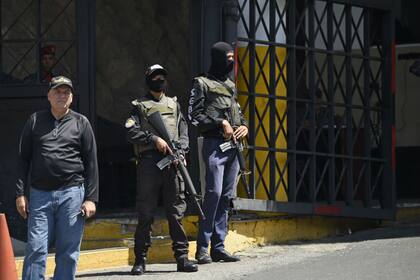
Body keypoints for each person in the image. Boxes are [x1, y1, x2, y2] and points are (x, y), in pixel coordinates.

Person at [15, 75, 99, 280]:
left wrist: (91, 198)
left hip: (72, 195)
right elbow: (22, 159)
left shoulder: (82, 123)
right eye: (57, 92)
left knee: (68, 252)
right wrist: (20, 194)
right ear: (49, 96)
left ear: (71, 97)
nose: (62, 95)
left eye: (66, 92)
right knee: (36, 248)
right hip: (39, 195)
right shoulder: (35, 120)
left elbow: (91, 163)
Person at [125, 64, 198, 275]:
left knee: (176, 212)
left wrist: (181, 152)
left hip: (173, 162)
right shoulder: (139, 106)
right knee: (146, 213)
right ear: (148, 80)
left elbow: (183, 132)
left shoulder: (174, 105)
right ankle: (140, 259)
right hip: (149, 162)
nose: (159, 80)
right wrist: (153, 138)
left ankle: (182, 257)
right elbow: (131, 132)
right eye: (155, 77)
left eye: (162, 77)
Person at [188, 42, 248, 264]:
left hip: (232, 147)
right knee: (212, 194)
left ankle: (219, 247)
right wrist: (219, 122)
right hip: (214, 145)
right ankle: (202, 248)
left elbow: (237, 113)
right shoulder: (201, 83)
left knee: (226, 197)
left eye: (233, 57)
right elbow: (194, 116)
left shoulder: (231, 85)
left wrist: (244, 126)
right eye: (228, 57)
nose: (231, 62)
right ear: (217, 58)